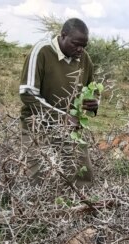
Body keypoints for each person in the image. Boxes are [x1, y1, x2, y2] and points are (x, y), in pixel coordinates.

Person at [19, 18, 99, 184]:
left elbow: (92, 88)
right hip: (38, 127)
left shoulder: (84, 57)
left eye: (84, 46)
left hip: (71, 128)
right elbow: (28, 94)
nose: (80, 49)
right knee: (37, 178)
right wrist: (61, 117)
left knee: (82, 177)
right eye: (75, 44)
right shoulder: (41, 51)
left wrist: (95, 102)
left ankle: (79, 208)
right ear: (63, 36)